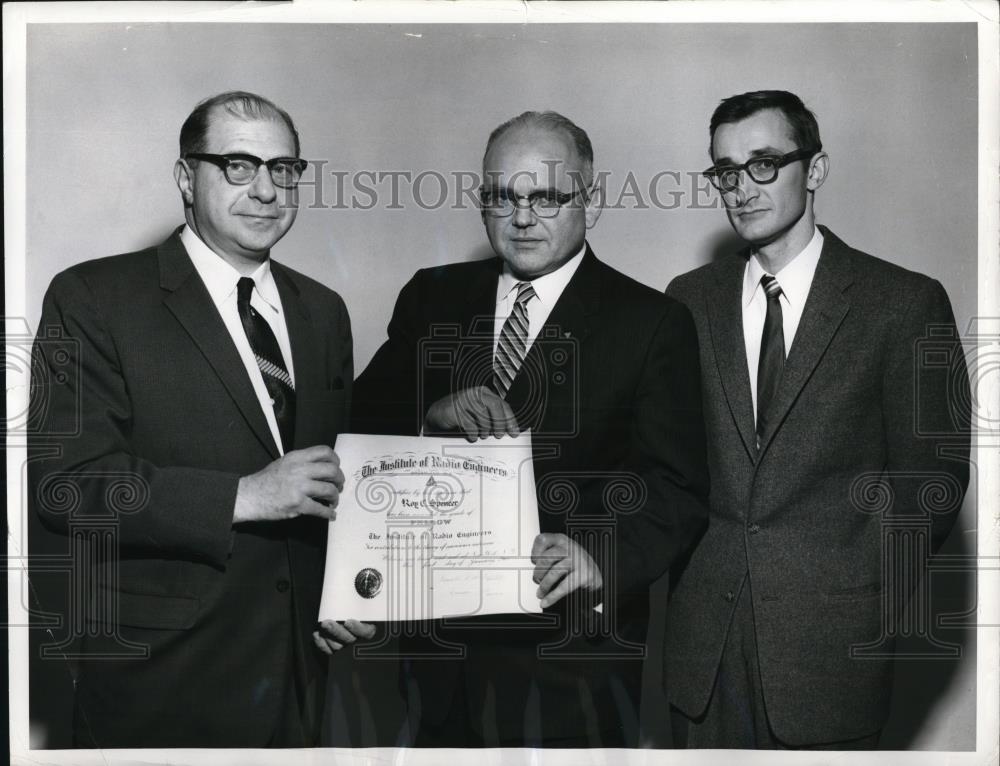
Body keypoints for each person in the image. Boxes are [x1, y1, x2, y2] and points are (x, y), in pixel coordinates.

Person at [351, 110, 710, 748]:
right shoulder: (431, 295)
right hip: (439, 650)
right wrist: (431, 411)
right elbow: (359, 424)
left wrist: (601, 557)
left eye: (546, 196)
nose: (522, 217)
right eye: (502, 197)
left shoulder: (653, 322)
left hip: (573, 658)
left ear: (590, 204)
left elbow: (677, 489)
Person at [28, 91, 373, 748]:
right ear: (187, 178)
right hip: (162, 683)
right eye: (238, 167)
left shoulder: (322, 312)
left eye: (284, 169)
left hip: (302, 678)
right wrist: (244, 495)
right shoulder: (93, 297)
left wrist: (350, 594)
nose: (266, 190)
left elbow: (333, 482)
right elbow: (65, 486)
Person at [665, 90, 971, 749]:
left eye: (764, 164)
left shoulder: (903, 302)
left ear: (817, 170)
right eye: (725, 170)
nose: (741, 188)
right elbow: (671, 464)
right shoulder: (688, 300)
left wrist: (860, 606)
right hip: (704, 657)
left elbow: (932, 485)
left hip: (829, 655)